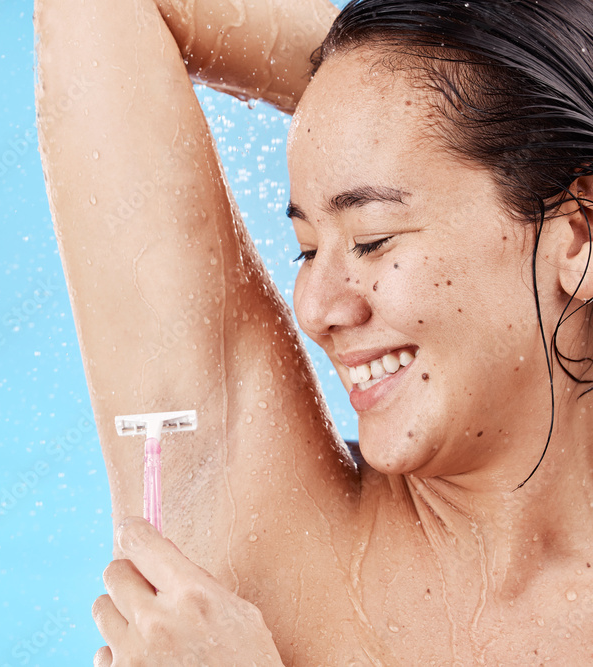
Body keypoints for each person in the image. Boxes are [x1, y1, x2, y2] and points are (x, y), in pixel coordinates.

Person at [34, 0, 593, 663]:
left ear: (577, 237)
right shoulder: (260, 512)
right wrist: (382, 96)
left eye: (373, 237)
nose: (317, 306)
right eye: (305, 248)